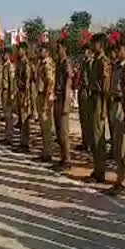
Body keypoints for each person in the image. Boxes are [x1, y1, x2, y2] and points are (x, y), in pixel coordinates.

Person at [107, 32, 125, 196]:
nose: (116, 52)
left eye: (119, 49)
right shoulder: (117, 66)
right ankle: (119, 180)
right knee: (117, 146)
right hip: (115, 105)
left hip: (124, 106)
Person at [84, 33, 110, 183]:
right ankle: (97, 168)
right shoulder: (94, 62)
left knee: (98, 137)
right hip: (92, 98)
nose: (92, 46)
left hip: (100, 99)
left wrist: (104, 107)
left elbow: (105, 87)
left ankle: (101, 172)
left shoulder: (103, 62)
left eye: (94, 43)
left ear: (100, 45)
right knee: (93, 135)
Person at [53, 32, 73, 170]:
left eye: (59, 48)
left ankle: (67, 160)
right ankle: (62, 157)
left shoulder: (66, 64)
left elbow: (67, 85)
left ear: (64, 49)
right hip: (57, 98)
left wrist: (66, 105)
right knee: (59, 131)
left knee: (64, 132)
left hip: (63, 99)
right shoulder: (58, 63)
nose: (57, 50)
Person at [37, 38, 56, 163]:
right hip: (40, 94)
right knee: (43, 126)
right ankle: (45, 151)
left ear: (47, 52)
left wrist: (45, 100)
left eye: (42, 50)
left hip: (45, 96)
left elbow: (49, 83)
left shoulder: (48, 64)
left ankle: (48, 153)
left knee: (46, 125)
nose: (40, 51)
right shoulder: (42, 63)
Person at [77, 33, 94, 152]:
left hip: (89, 92)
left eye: (87, 51)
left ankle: (90, 143)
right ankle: (84, 141)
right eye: (83, 52)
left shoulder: (92, 63)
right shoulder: (83, 63)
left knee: (89, 120)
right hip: (82, 91)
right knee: (82, 118)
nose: (85, 54)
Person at [15, 38, 33, 153]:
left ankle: (25, 144)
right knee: (21, 118)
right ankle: (22, 141)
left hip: (24, 94)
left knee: (25, 119)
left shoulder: (26, 64)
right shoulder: (20, 63)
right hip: (19, 93)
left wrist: (26, 98)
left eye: (20, 50)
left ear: (25, 51)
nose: (18, 52)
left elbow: (27, 83)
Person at [1, 48, 16, 145]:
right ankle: (7, 136)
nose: (3, 56)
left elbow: (12, 82)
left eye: (4, 54)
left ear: (9, 55)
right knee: (6, 116)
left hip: (8, 93)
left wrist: (11, 95)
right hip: (4, 92)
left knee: (9, 116)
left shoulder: (10, 66)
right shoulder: (4, 66)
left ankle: (9, 137)